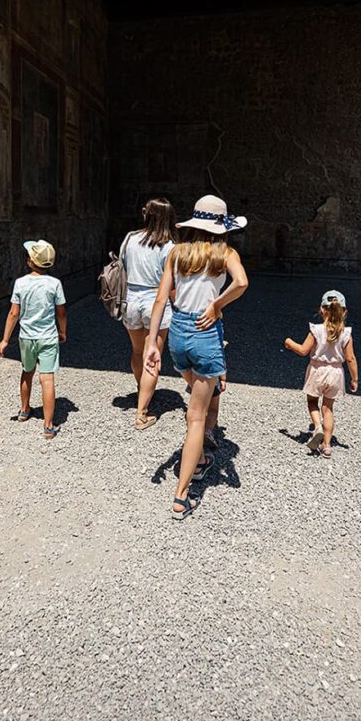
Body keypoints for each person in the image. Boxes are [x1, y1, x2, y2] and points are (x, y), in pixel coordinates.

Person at [145, 195, 249, 519]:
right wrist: (217, 305)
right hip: (205, 334)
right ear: (221, 228)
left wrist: (152, 342)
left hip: (177, 334)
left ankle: (200, 455)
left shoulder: (177, 253)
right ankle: (181, 496)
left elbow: (161, 298)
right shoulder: (225, 253)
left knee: (201, 390)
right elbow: (242, 282)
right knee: (196, 418)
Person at [0, 240, 67, 439]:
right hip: (48, 336)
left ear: (30, 262)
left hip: (26, 337)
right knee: (47, 378)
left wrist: (4, 340)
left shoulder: (21, 283)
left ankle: (25, 410)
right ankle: (48, 425)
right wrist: (63, 331)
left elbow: (13, 313)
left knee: (27, 372)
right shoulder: (55, 284)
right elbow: (61, 312)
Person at [119, 198, 178, 429]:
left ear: (148, 215)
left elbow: (122, 265)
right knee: (153, 357)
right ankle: (142, 413)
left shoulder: (130, 238)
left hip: (131, 298)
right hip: (156, 300)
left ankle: (141, 388)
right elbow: (171, 284)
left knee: (137, 351)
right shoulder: (170, 247)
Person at [284, 290, 358, 458]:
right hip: (336, 373)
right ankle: (327, 445)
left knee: (312, 402)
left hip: (317, 370)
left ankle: (317, 426)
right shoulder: (346, 333)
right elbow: (351, 358)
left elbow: (303, 350)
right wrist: (354, 379)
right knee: (328, 408)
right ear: (344, 311)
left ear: (322, 309)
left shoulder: (316, 330)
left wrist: (289, 343)